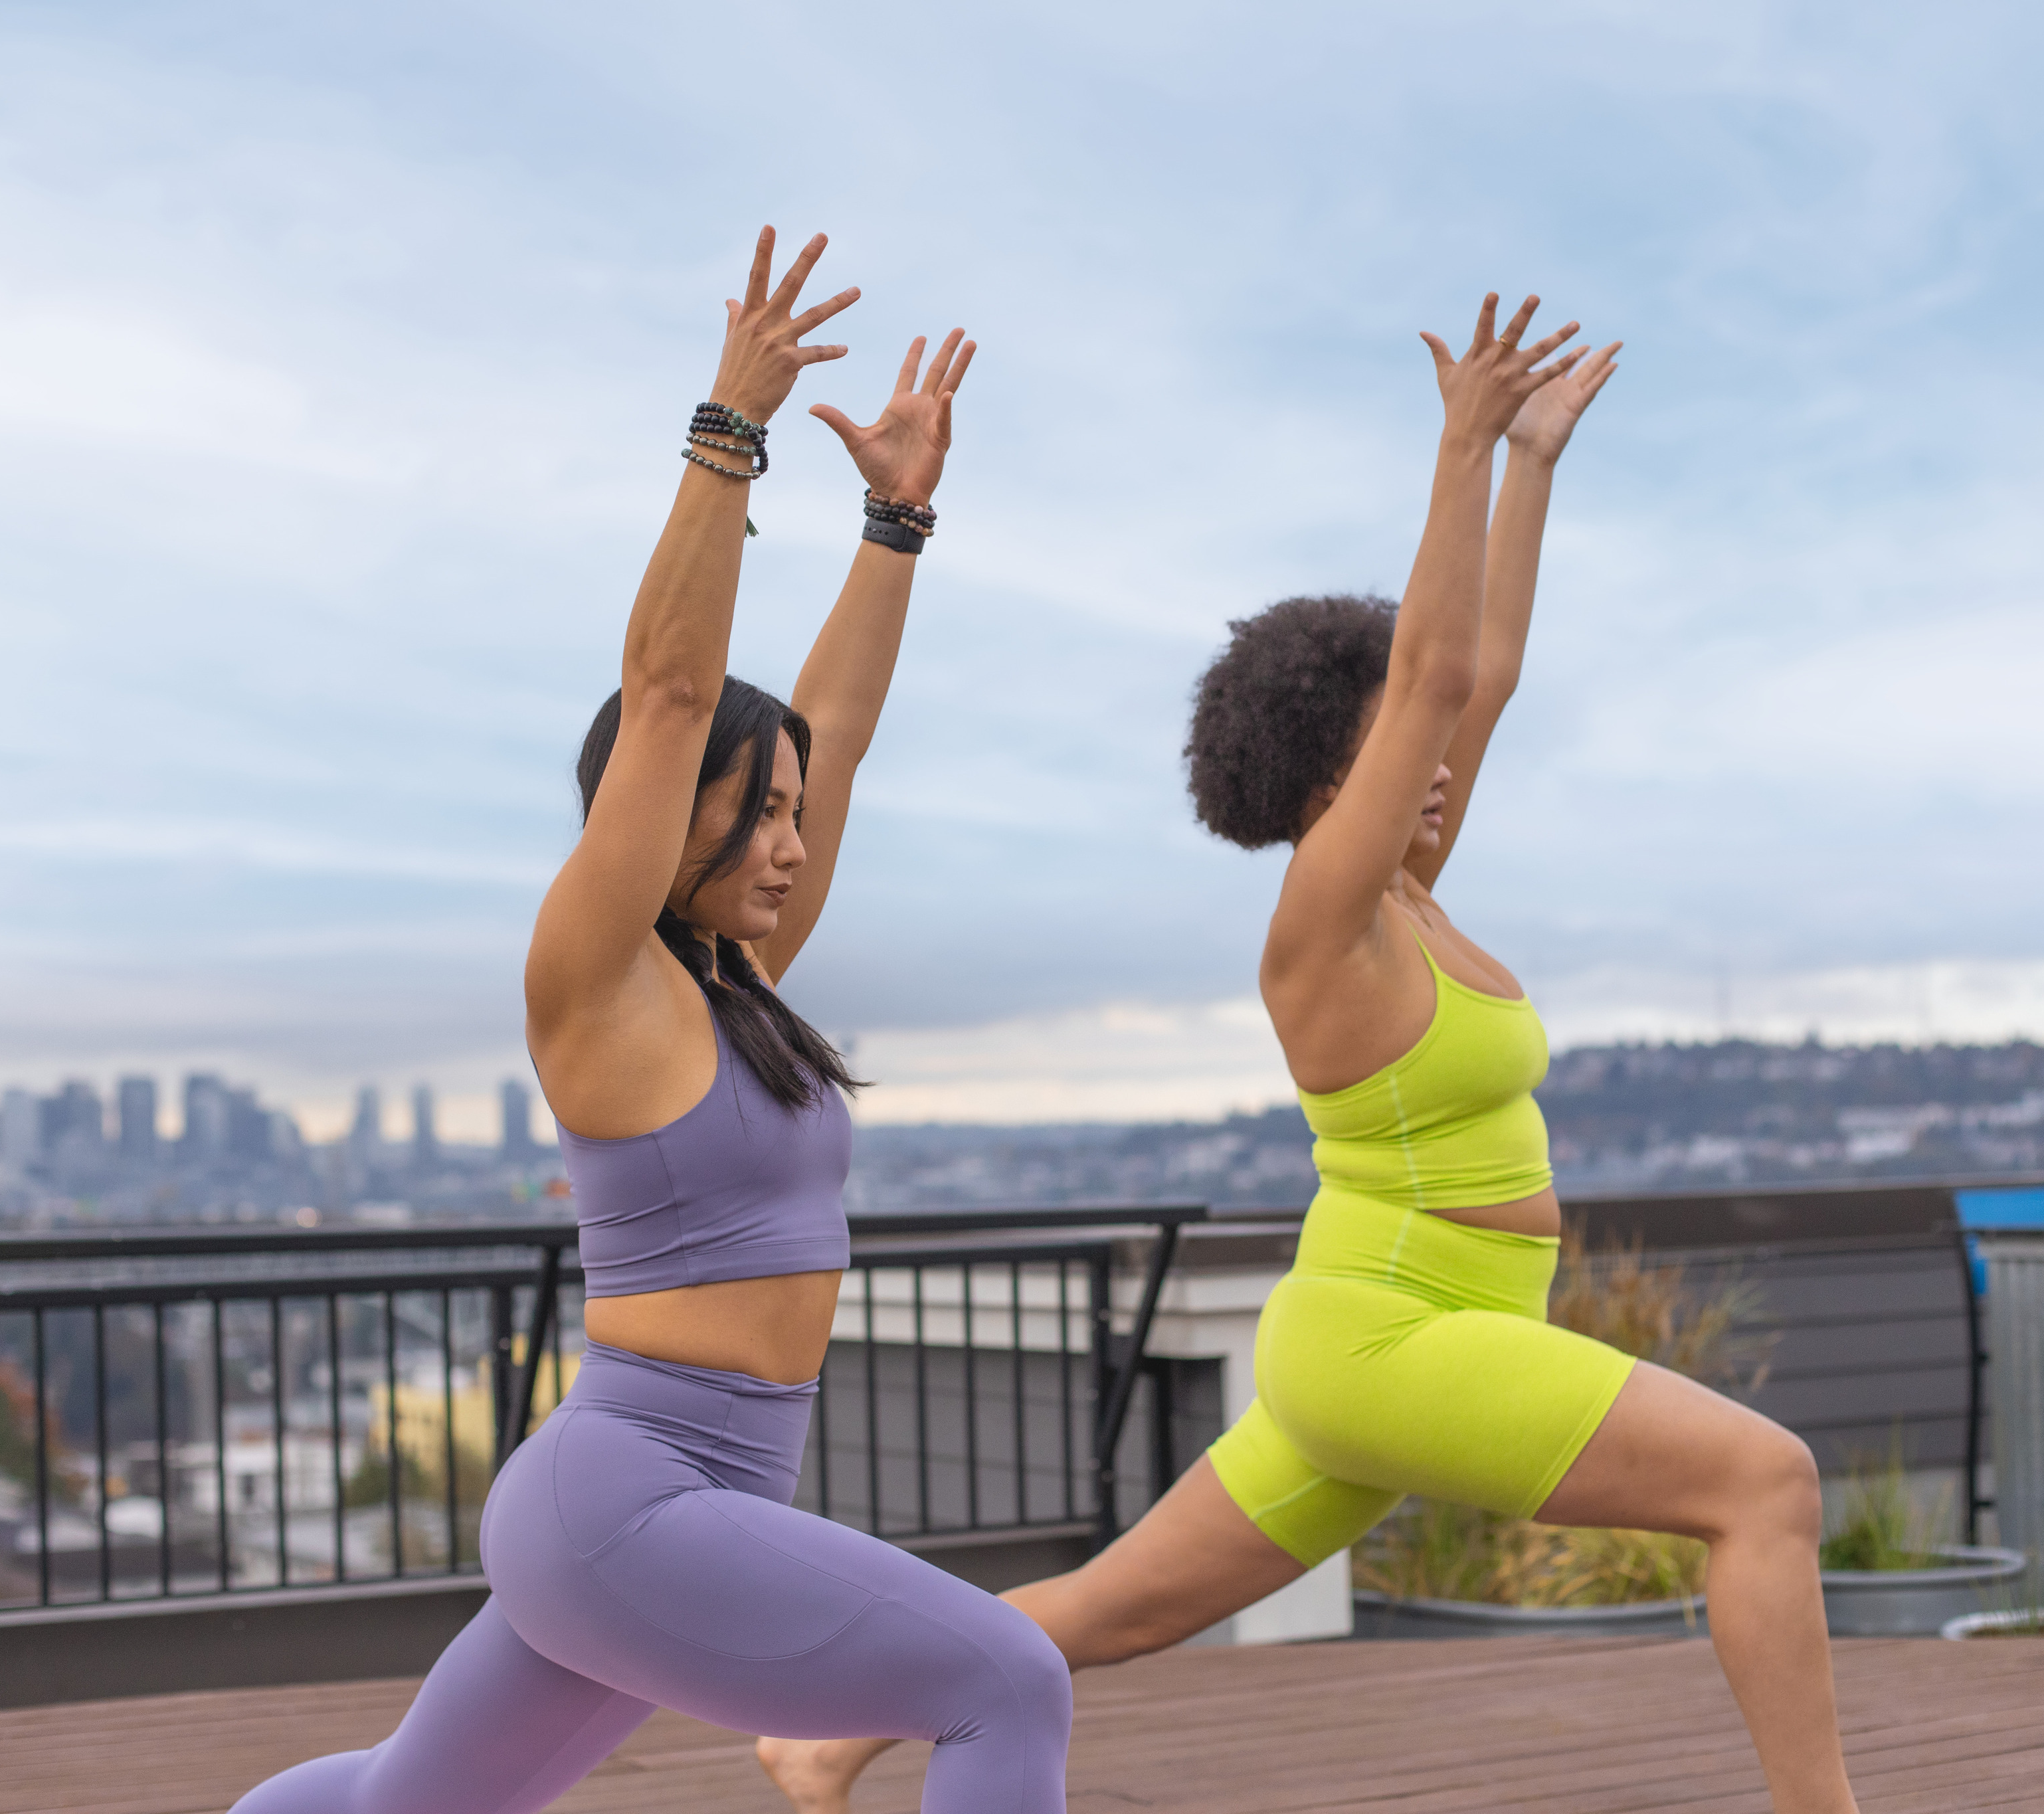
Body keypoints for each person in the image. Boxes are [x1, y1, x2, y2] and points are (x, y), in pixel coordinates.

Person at [761, 286, 1863, 1814]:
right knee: (1765, 1482)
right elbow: (1424, 680)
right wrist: (1458, 447)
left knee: (1120, 1605)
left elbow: (1474, 678)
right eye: (1392, 755)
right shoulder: (1321, 925)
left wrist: (1530, 462)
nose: (1431, 762)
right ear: (1324, 774)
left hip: (1385, 1326)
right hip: (1391, 1337)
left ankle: (825, 1732)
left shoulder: (1412, 888)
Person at [232, 228, 1071, 1814]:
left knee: (399, 1804)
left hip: (688, 1494)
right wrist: (727, 432)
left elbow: (843, 730)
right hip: (628, 1499)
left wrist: (897, 520)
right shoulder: (596, 980)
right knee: (1002, 1677)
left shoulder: (738, 986)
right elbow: (672, 688)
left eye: (797, 817)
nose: (790, 842)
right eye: (755, 814)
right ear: (655, 812)